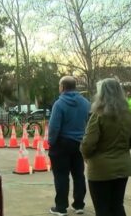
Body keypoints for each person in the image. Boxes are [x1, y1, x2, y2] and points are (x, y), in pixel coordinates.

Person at [81, 78, 131, 216]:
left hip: (100, 169)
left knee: (102, 208)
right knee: (117, 205)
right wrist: (122, 149)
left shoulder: (99, 115)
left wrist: (86, 156)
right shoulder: (129, 113)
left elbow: (88, 143)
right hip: (123, 167)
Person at [48, 76, 90, 216]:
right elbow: (89, 123)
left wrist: (51, 142)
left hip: (62, 144)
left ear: (63, 87)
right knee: (79, 175)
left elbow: (54, 127)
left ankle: (61, 207)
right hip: (79, 143)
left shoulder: (59, 104)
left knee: (61, 176)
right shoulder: (85, 103)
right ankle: (79, 205)